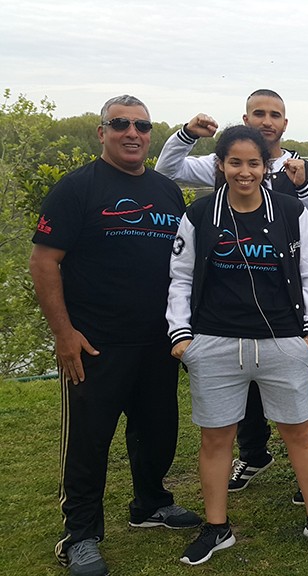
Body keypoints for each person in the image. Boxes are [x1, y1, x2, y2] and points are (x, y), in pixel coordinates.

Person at [31, 94, 200, 576]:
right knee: (88, 444)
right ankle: (80, 535)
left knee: (157, 432)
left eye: (142, 126)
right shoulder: (76, 188)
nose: (133, 133)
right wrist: (63, 335)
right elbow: (44, 262)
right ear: (101, 132)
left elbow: (183, 267)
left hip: (157, 341)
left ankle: (150, 503)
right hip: (95, 343)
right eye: (120, 124)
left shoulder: (167, 191)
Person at [167, 126, 308, 564]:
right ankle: (217, 527)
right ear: (221, 165)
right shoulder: (200, 214)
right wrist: (182, 336)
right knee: (216, 437)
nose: (244, 172)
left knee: (299, 432)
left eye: (254, 163)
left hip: (283, 339)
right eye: (235, 163)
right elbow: (181, 277)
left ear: (267, 166)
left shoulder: (290, 210)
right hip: (216, 339)